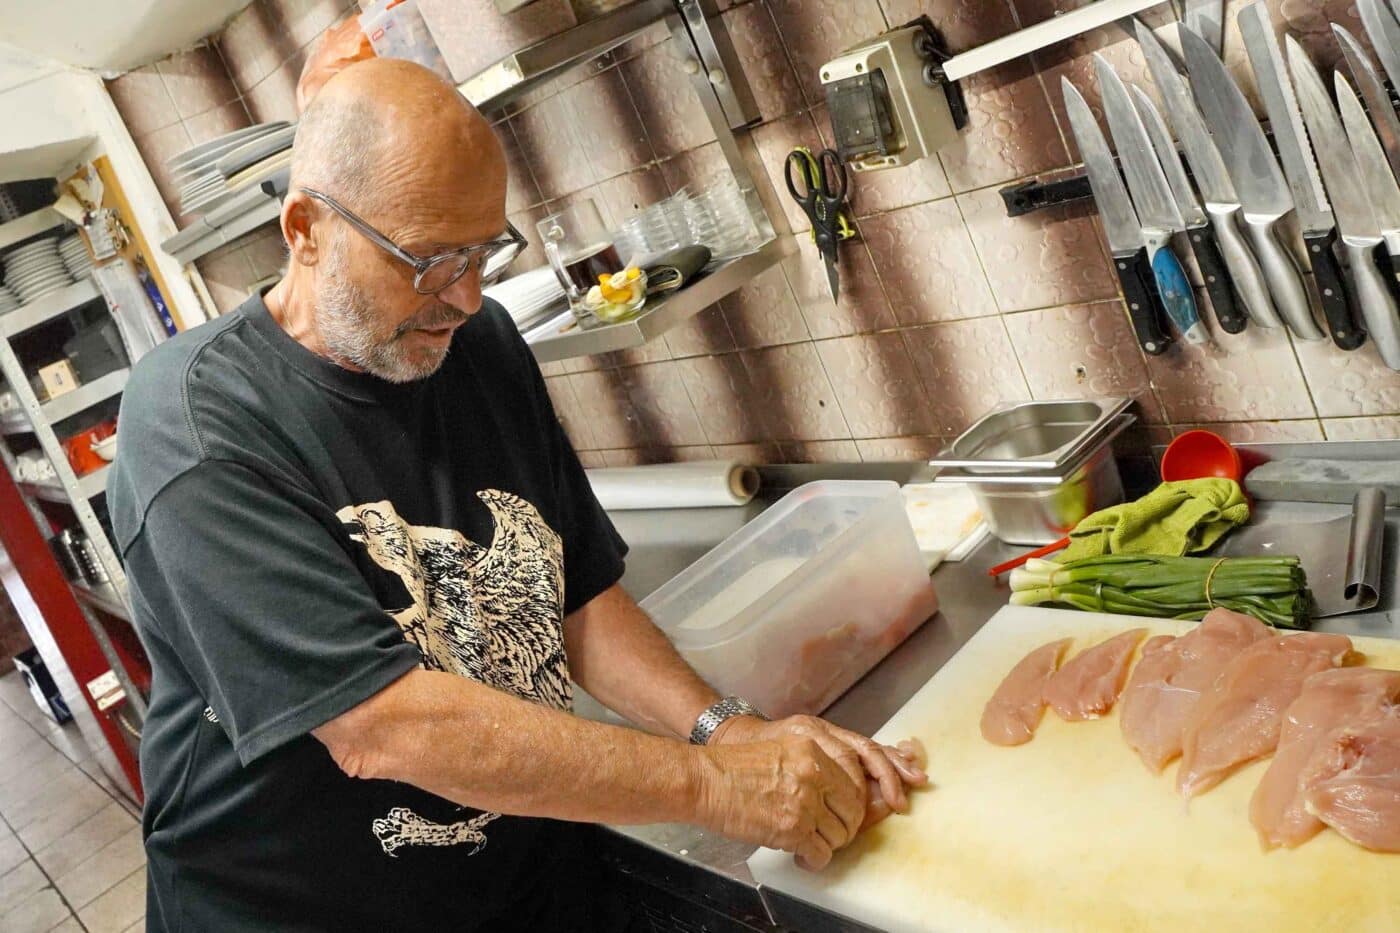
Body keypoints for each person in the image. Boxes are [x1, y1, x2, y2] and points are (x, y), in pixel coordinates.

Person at [110, 58, 926, 931]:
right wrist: (711, 785)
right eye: (427, 261)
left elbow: (576, 596)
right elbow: (384, 726)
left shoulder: (480, 342)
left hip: (519, 880)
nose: (464, 296)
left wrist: (723, 730)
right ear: (306, 228)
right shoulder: (195, 428)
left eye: (483, 252)